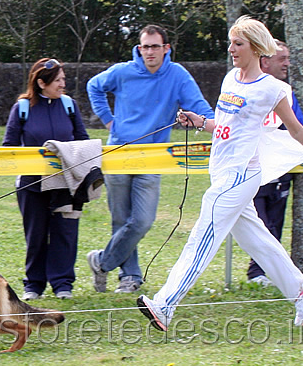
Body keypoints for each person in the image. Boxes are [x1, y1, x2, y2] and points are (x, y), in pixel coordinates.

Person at [138, 16, 303, 331]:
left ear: (254, 47)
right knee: (258, 241)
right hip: (221, 170)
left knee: (203, 237)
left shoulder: (273, 89)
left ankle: (165, 305)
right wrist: (200, 121)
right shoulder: (230, 79)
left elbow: (296, 130)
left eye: (237, 44)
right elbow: (224, 127)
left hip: (240, 175)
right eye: (231, 43)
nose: (232, 49)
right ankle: (301, 290)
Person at [86, 24, 215, 294]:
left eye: (155, 46)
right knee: (121, 220)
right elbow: (94, 86)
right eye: (144, 46)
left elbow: (200, 107)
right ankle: (130, 277)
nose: (149, 52)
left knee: (142, 220)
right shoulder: (123, 72)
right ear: (139, 48)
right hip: (119, 153)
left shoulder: (178, 76)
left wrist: (217, 124)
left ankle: (101, 261)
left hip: (154, 157)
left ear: (166, 48)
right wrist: (109, 120)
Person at [3, 58, 89, 300]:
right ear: (41, 83)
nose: (63, 84)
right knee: (36, 235)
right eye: (58, 80)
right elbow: (9, 145)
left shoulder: (69, 105)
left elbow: (82, 138)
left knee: (65, 232)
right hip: (32, 185)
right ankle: (34, 285)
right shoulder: (22, 107)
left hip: (66, 184)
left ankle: (63, 284)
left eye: (63, 79)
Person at [247, 40, 303, 287]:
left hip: (281, 172)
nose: (287, 64)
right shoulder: (246, 88)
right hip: (253, 171)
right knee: (261, 226)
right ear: (265, 61)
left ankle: (267, 275)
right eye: (282, 58)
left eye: (288, 58)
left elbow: (298, 127)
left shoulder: (286, 91)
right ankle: (256, 274)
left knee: (275, 224)